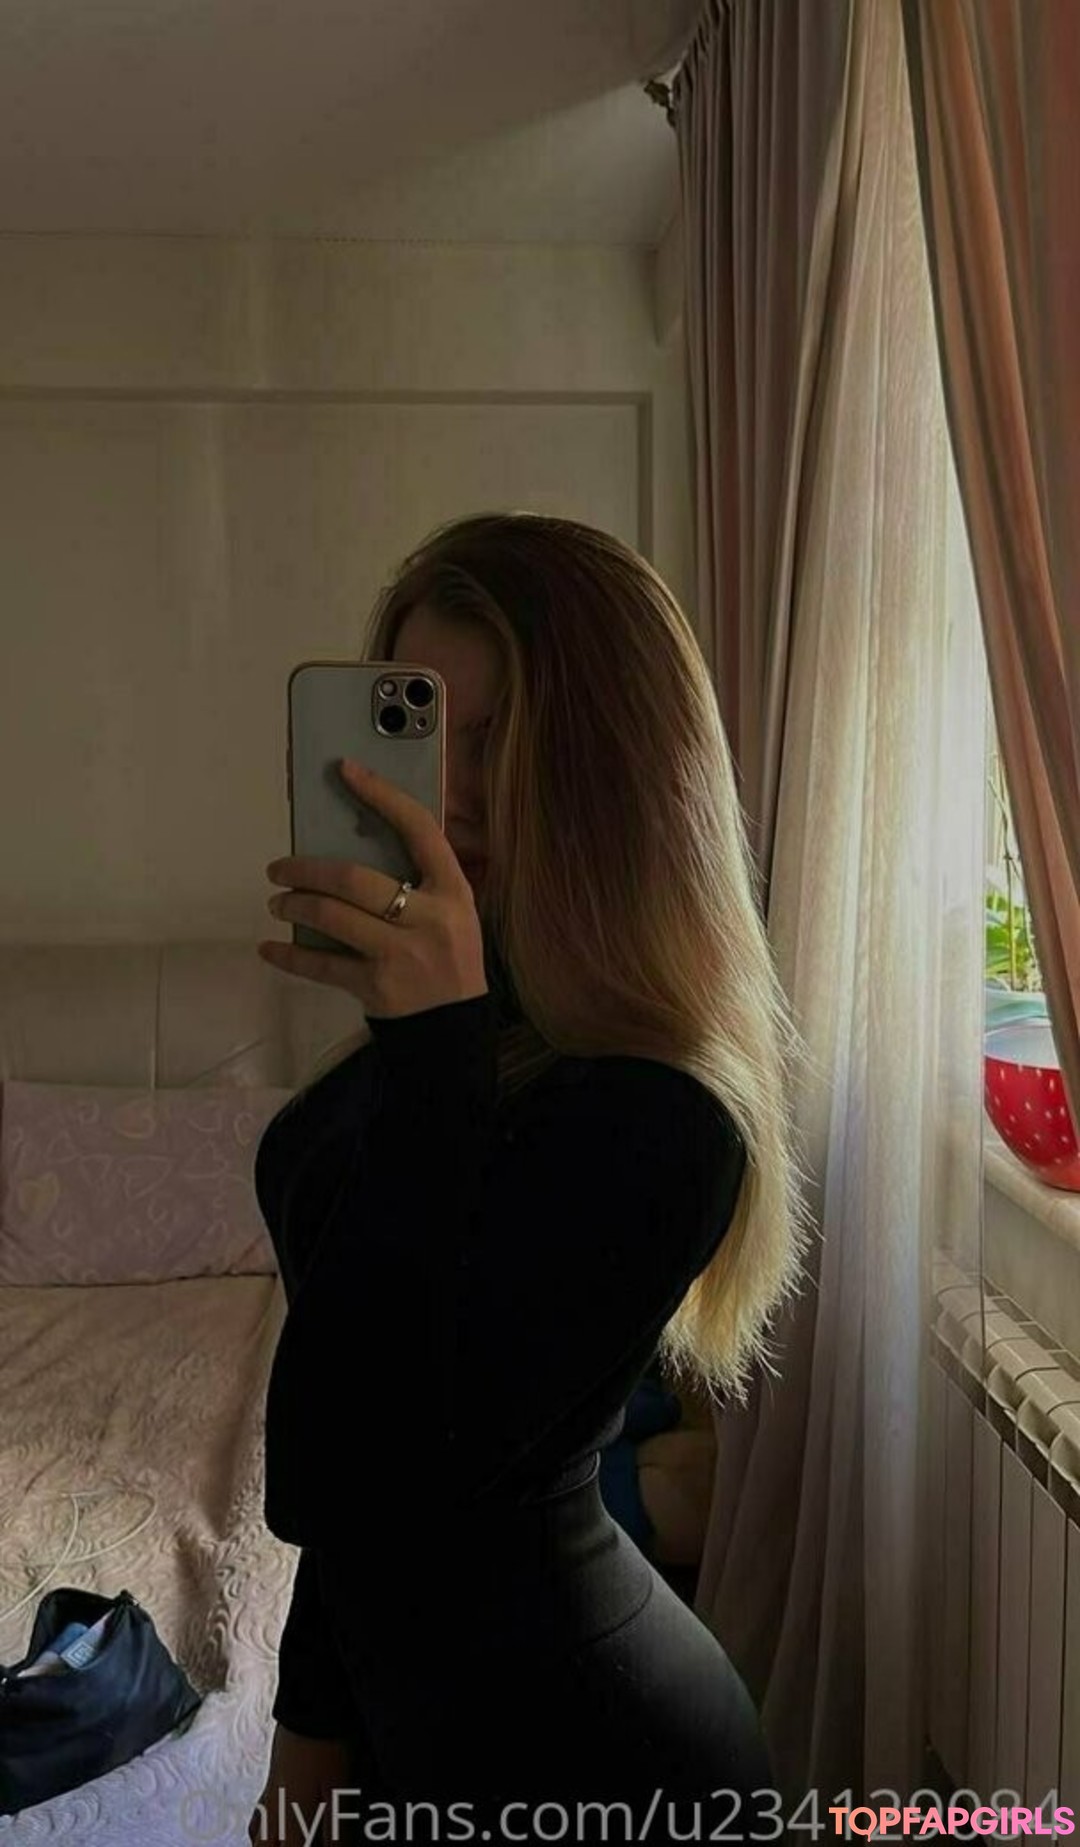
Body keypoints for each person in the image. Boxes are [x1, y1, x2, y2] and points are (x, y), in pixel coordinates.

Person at [246, 513, 813, 1846]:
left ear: (612, 771)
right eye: (422, 728)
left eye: (500, 741)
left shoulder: (665, 1113)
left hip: (592, 1762)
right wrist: (306, 1750)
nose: (448, 793)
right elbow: (355, 1494)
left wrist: (431, 1054)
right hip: (409, 1738)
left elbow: (345, 1465)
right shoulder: (478, 1023)